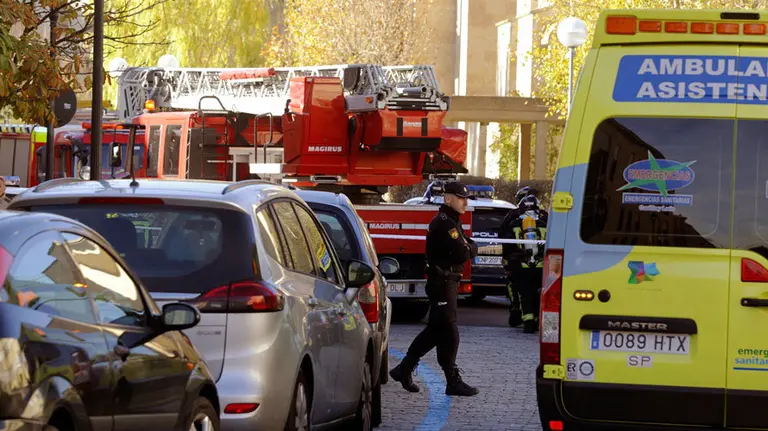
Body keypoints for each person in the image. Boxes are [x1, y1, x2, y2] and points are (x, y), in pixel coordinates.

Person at [389, 180, 480, 397]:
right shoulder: (445, 222)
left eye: (466, 198)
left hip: (447, 282)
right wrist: (470, 249)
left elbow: (467, 245)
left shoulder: (452, 220)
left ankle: (406, 369)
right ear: (448, 198)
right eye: (460, 198)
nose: (465, 202)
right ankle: (450, 379)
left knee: (437, 330)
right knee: (449, 331)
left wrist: (469, 247)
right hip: (442, 283)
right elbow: (462, 253)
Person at [500, 188, 548, 333]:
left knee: (524, 293)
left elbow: (505, 242)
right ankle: (537, 320)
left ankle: (528, 322)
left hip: (521, 266)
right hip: (541, 266)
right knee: (540, 293)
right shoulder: (545, 221)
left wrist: (508, 263)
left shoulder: (513, 222)